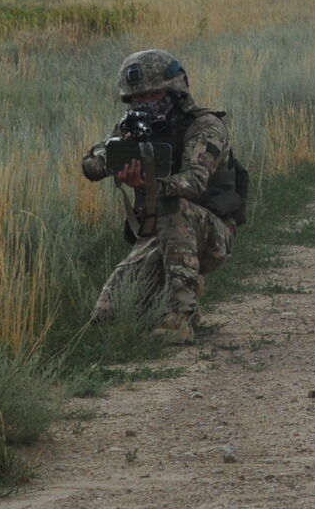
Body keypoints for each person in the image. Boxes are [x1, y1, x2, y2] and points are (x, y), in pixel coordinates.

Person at [80, 49, 246, 345]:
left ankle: (181, 315)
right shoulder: (133, 127)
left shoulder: (205, 126)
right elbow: (91, 165)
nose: (144, 104)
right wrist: (115, 159)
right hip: (157, 235)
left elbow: (195, 181)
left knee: (173, 205)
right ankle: (180, 293)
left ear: (174, 92)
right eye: (137, 98)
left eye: (152, 95)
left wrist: (151, 183)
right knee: (108, 314)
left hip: (211, 234)